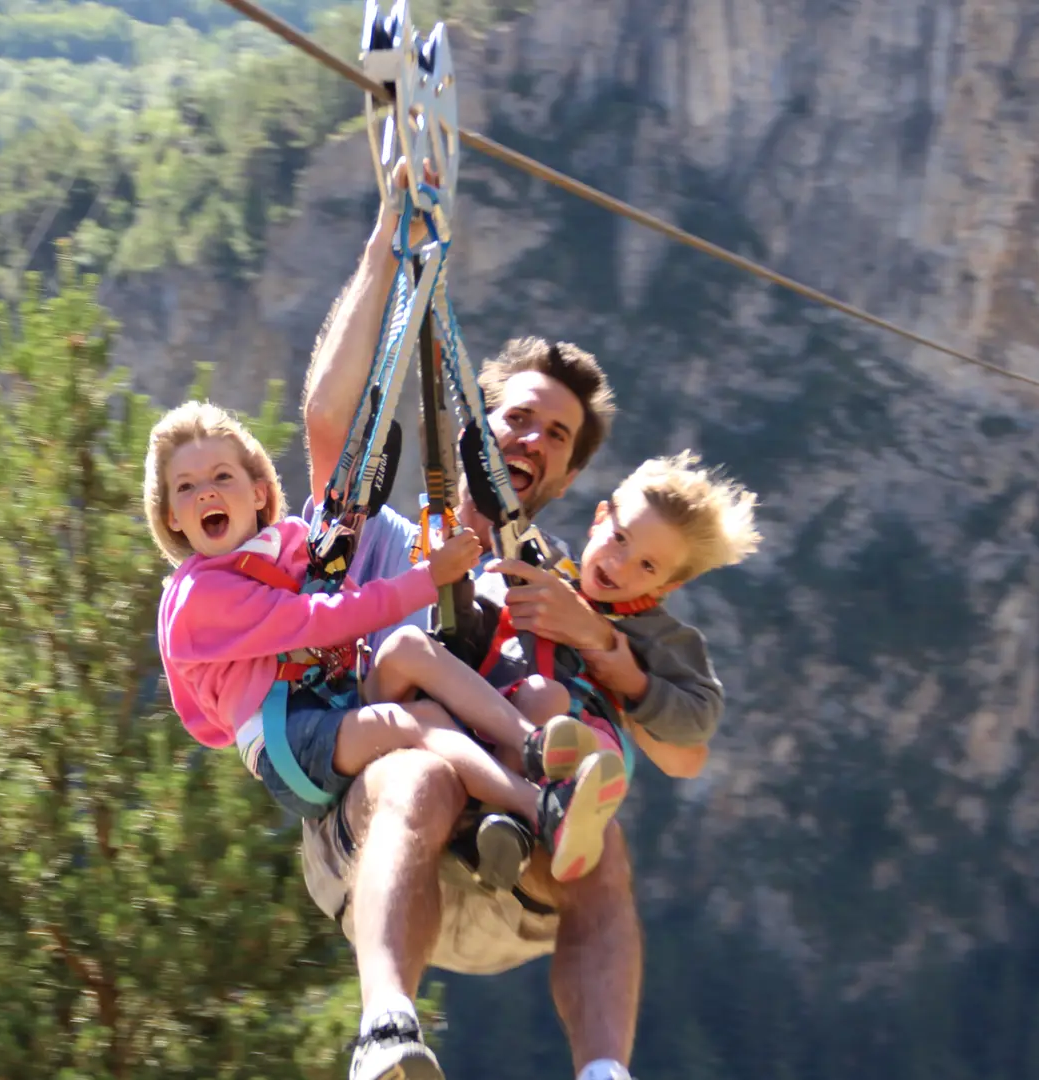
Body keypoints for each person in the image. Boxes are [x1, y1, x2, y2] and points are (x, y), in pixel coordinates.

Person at [294, 178, 721, 1080]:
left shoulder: (577, 590)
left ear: (568, 476)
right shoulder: (388, 543)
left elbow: (685, 750)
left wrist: (600, 643)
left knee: (600, 837)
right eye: (515, 420)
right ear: (474, 431)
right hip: (376, 841)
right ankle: (387, 1032)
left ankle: (603, 1072)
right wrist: (385, 244)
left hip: (515, 881)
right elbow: (329, 422)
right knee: (418, 773)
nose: (530, 441)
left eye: (555, 436)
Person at [145, 400, 629, 883]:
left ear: (258, 493)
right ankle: (541, 809)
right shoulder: (199, 596)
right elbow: (319, 620)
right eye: (186, 487)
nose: (206, 492)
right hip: (290, 739)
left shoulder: (288, 547)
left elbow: (343, 597)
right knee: (411, 721)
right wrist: (427, 579)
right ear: (172, 519)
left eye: (221, 476)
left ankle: (531, 743)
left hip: (335, 700)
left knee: (407, 648)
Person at [447, 449, 764, 868]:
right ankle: (504, 823)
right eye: (620, 538)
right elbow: (482, 606)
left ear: (668, 585)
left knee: (559, 715)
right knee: (536, 696)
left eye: (647, 566)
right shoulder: (544, 565)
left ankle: (524, 823)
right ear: (600, 518)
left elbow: (698, 718)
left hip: (583, 734)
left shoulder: (662, 636)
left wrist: (634, 682)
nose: (619, 564)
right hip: (502, 709)